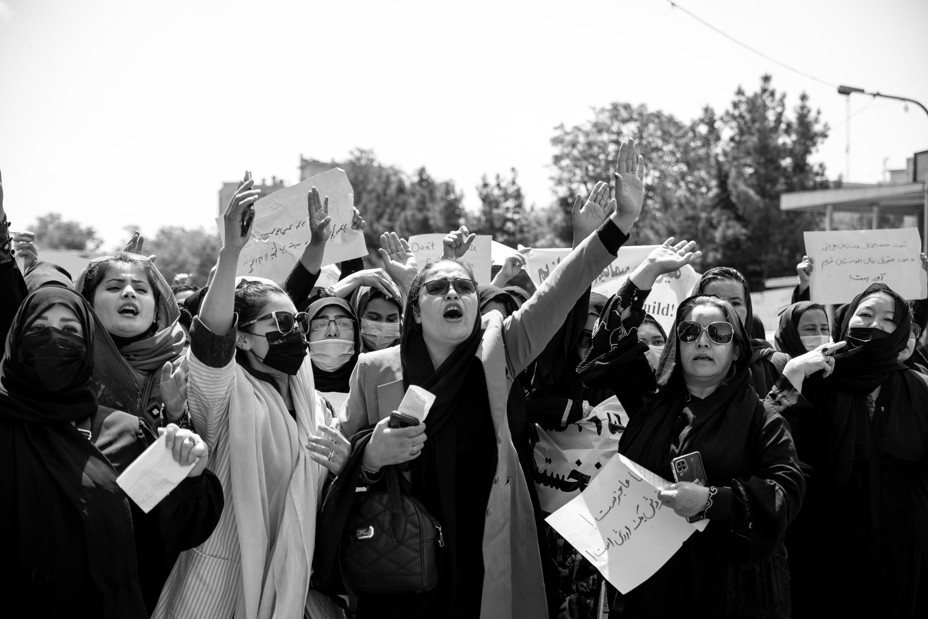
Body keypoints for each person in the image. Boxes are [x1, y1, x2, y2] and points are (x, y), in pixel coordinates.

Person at [316, 141, 647, 619]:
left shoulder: (503, 348)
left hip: (485, 556)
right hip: (401, 563)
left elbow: (560, 289)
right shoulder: (375, 369)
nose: (453, 292)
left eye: (465, 285)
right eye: (437, 287)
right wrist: (371, 456)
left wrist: (619, 224)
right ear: (415, 306)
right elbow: (340, 466)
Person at [154, 171, 350, 618]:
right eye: (280, 327)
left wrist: (345, 464)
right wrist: (231, 253)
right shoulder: (225, 392)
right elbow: (210, 338)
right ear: (242, 340)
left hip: (295, 587)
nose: (295, 333)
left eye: (297, 324)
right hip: (221, 584)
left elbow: (281, 302)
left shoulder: (309, 401)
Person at [581, 269, 804, 616]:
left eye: (719, 333)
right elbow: (609, 338)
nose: (703, 342)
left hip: (728, 588)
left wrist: (712, 500)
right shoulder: (648, 401)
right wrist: (645, 274)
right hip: (648, 585)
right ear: (676, 344)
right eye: (690, 332)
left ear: (735, 349)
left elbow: (785, 491)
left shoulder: (761, 418)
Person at [0, 286, 223, 617]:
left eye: (69, 330)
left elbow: (162, 534)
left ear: (89, 345)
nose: (53, 340)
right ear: (16, 342)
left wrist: (189, 476)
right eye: (37, 329)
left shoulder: (125, 432)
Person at [767, 282, 928, 618]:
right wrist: (792, 374)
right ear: (845, 322)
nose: (873, 325)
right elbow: (771, 444)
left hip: (903, 545)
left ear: (901, 332)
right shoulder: (816, 381)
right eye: (865, 314)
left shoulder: (920, 390)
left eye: (887, 319)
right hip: (828, 546)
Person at [76, 252, 189, 428]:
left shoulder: (180, 367)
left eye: (141, 289)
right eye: (114, 287)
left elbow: (202, 450)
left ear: (156, 312)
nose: (129, 293)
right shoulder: (70, 363)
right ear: (88, 305)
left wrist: (174, 413)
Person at [692, 266, 789, 396]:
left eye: (735, 303)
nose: (726, 309)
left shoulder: (776, 365)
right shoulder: (681, 363)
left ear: (747, 310)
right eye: (714, 301)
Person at [353, 285, 403, 352]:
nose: (382, 328)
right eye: (374, 318)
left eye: (391, 319)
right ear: (358, 315)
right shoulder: (341, 344)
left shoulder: (411, 350)